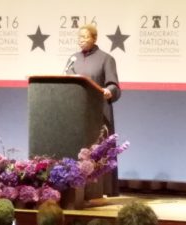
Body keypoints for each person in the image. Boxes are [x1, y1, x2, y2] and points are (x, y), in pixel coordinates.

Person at [65, 24, 121, 197]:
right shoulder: (72, 59)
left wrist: (108, 91)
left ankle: (102, 189)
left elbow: (114, 86)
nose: (81, 40)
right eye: (79, 37)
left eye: (85, 37)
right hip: (77, 114)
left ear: (94, 38)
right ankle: (77, 187)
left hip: (99, 113)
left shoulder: (106, 59)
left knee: (99, 151)